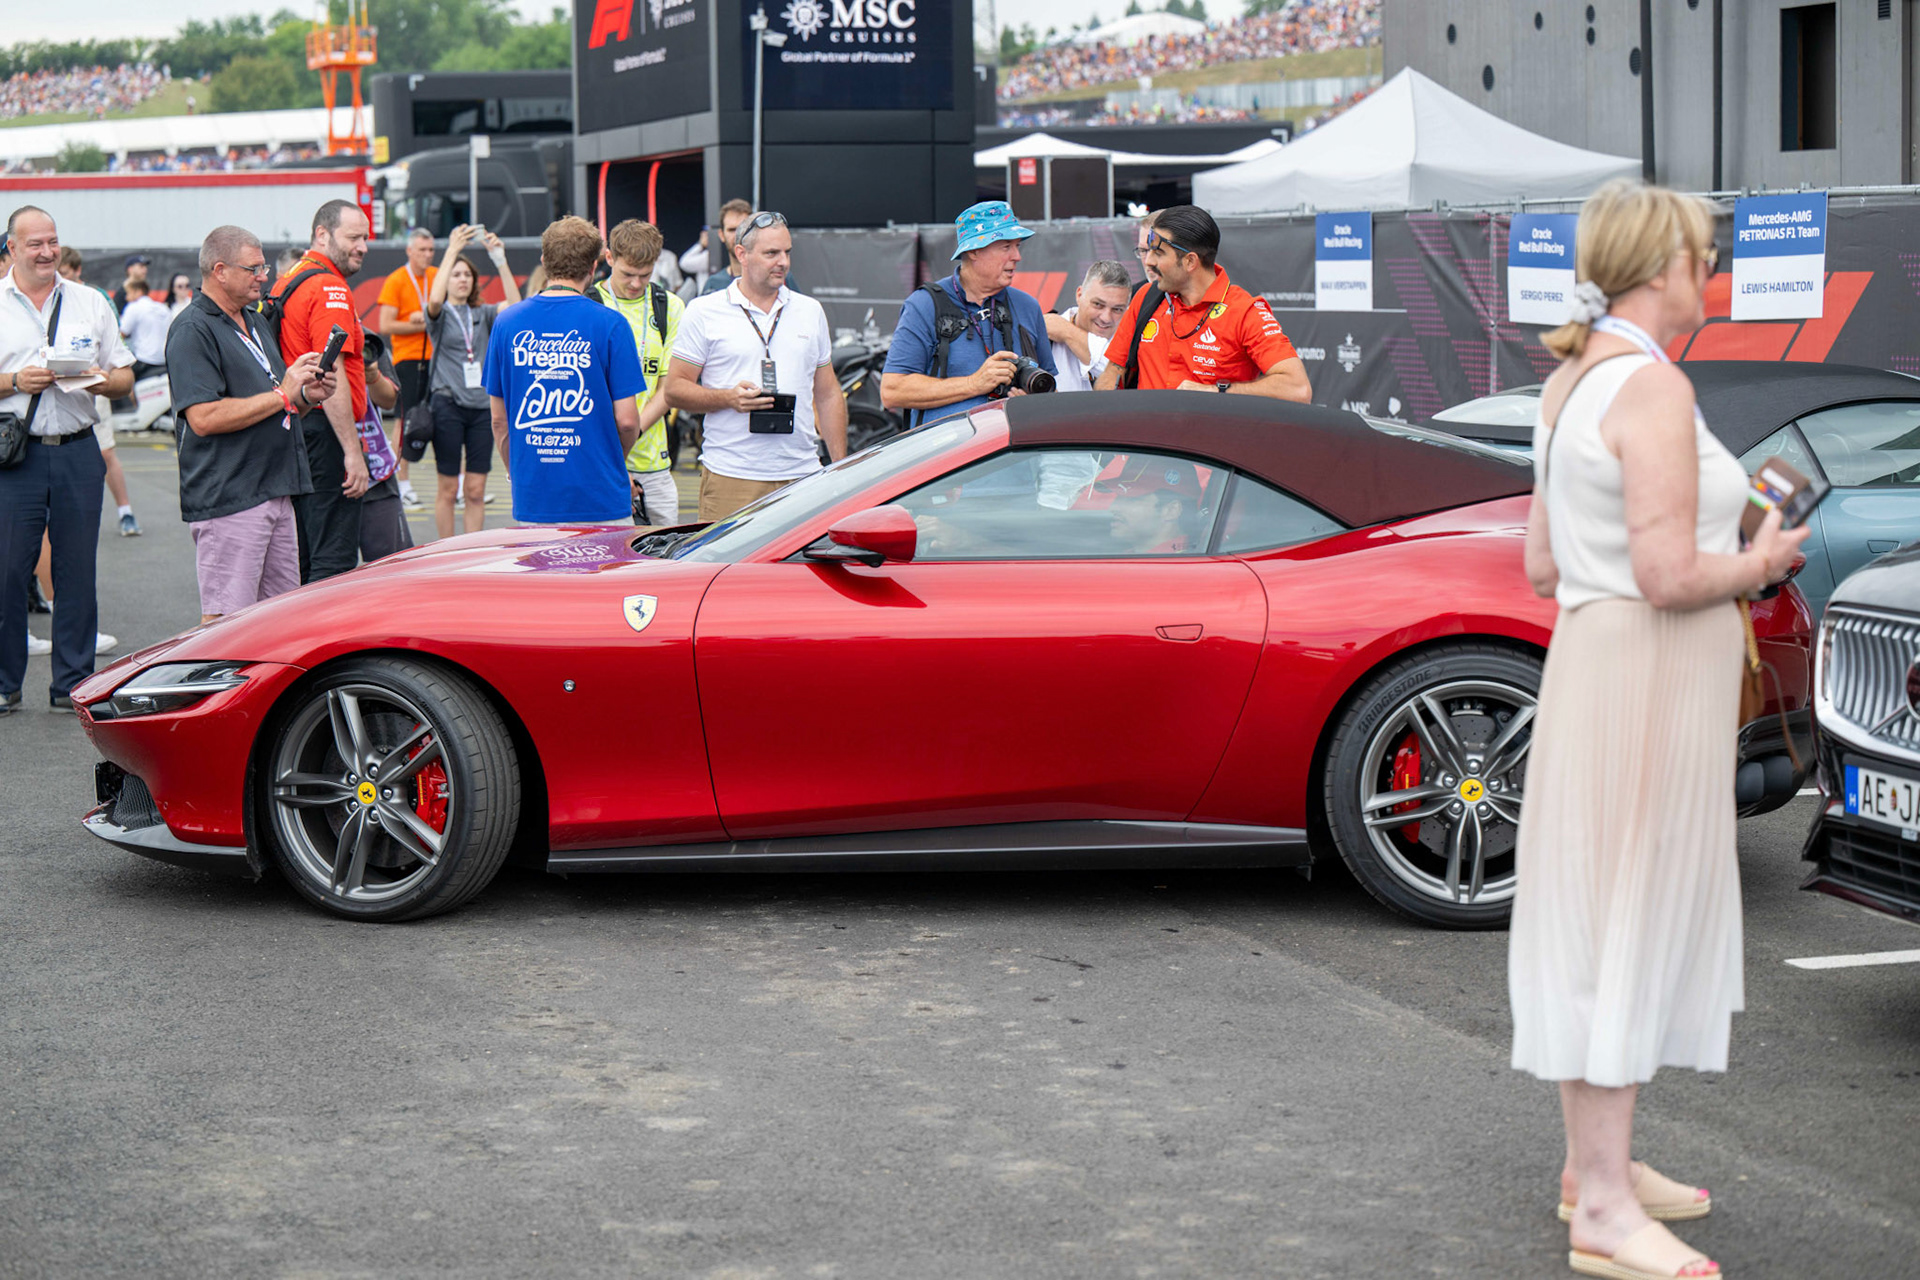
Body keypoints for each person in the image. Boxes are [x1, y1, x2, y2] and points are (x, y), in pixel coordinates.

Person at [1510, 179, 1809, 1280]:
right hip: (1646, 670)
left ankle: (1593, 1168)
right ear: (1660, 266)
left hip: (1597, 658)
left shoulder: (1571, 379)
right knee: (1628, 912)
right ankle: (1602, 1207)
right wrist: (1765, 560)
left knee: (1598, 907)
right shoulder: (1653, 386)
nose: (1711, 270)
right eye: (1700, 252)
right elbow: (1673, 571)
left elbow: (1541, 564)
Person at [0, 206, 135, 715]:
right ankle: (4, 681)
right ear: (12, 248)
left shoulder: (88, 301)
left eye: (52, 241)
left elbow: (123, 374)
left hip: (79, 448)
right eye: (34, 243)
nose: (46, 252)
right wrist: (16, 381)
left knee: (78, 572)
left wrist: (101, 379)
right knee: (7, 571)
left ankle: (73, 684)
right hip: (16, 457)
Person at [166, 224, 334, 625]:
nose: (265, 276)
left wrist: (306, 396)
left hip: (274, 489)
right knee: (227, 627)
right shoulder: (192, 329)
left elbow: (278, 405)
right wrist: (283, 395)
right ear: (220, 270)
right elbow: (203, 418)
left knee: (278, 624)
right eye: (254, 269)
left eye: (264, 267)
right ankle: (217, 692)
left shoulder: (255, 322)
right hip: (232, 496)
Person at [667, 210, 846, 522]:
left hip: (802, 476)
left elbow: (828, 394)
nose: (783, 262)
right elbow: (674, 390)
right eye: (771, 253)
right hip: (731, 477)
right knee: (727, 571)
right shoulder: (704, 311)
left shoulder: (809, 311)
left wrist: (842, 468)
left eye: (787, 252)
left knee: (801, 572)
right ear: (742, 254)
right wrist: (728, 398)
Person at [484, 216, 646, 525]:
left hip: (535, 495)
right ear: (593, 268)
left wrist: (515, 473)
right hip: (602, 496)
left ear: (544, 261)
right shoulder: (612, 324)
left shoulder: (507, 323)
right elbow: (627, 421)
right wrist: (613, 463)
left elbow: (499, 420)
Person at [1095, 205, 1310, 400]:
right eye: (1147, 251)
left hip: (1206, 441)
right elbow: (1114, 370)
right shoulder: (1146, 296)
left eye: (1158, 253)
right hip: (1148, 440)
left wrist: (1217, 391)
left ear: (1190, 262)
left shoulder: (1244, 311)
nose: (1149, 262)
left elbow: (1298, 389)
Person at [880, 200, 1058, 429]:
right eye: (1006, 246)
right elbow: (892, 391)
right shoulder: (924, 305)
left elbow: (1052, 390)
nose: (1017, 256)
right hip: (947, 459)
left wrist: (1032, 404)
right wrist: (975, 384)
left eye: (1017, 246)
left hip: (1016, 458)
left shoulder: (1027, 306)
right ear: (974, 250)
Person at [279, 198, 372, 582]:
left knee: (301, 558)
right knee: (332, 566)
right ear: (322, 234)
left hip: (298, 431)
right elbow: (328, 373)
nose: (363, 247)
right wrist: (352, 452)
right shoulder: (329, 286)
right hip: (324, 435)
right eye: (353, 237)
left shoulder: (292, 276)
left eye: (366, 238)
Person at [424, 223, 519, 538]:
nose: (462, 279)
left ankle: (471, 554)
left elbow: (517, 308)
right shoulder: (439, 315)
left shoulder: (486, 312)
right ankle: (445, 552)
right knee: (449, 488)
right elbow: (434, 300)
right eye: (456, 274)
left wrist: (500, 259)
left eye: (467, 275)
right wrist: (451, 250)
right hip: (447, 403)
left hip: (481, 407)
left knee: (476, 489)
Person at [591, 219, 683, 527]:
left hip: (653, 465)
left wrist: (633, 431)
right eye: (627, 274)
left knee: (664, 564)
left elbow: (669, 387)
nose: (635, 284)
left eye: (645, 275)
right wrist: (616, 454)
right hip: (600, 460)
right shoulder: (590, 304)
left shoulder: (669, 306)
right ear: (609, 259)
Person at [55, 246, 141, 536]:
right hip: (54, 392)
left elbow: (119, 354)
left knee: (105, 452)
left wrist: (108, 380)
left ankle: (126, 511)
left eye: (64, 272)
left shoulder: (96, 299)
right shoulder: (49, 298)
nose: (58, 277)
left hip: (91, 387)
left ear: (77, 271)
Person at [376, 226, 436, 508]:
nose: (427, 255)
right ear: (409, 250)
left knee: (444, 419)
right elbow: (385, 325)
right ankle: (402, 483)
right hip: (408, 359)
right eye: (421, 250)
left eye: (431, 250)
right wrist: (420, 323)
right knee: (405, 420)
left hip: (437, 359)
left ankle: (457, 483)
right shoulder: (396, 280)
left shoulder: (438, 277)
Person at [355, 330, 414, 563]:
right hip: (325, 466)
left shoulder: (366, 338)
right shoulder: (299, 330)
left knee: (394, 563)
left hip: (375, 469)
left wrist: (372, 375)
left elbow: (390, 399)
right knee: (331, 569)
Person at [1044, 261, 1132, 393]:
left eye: (1117, 309)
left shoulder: (1134, 343)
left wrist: (1068, 332)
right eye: (1098, 304)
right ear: (1079, 295)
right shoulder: (1044, 336)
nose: (1106, 318)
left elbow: (1124, 378)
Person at [697, 198, 753, 296]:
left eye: (743, 228)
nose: (737, 235)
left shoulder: (775, 278)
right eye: (732, 230)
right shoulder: (713, 285)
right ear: (721, 235)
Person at [117, 277, 170, 380]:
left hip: (145, 361)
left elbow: (120, 335)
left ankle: (131, 395)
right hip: (165, 360)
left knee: (121, 381)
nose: (126, 298)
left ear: (138, 292)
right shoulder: (163, 308)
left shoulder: (133, 307)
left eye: (128, 293)